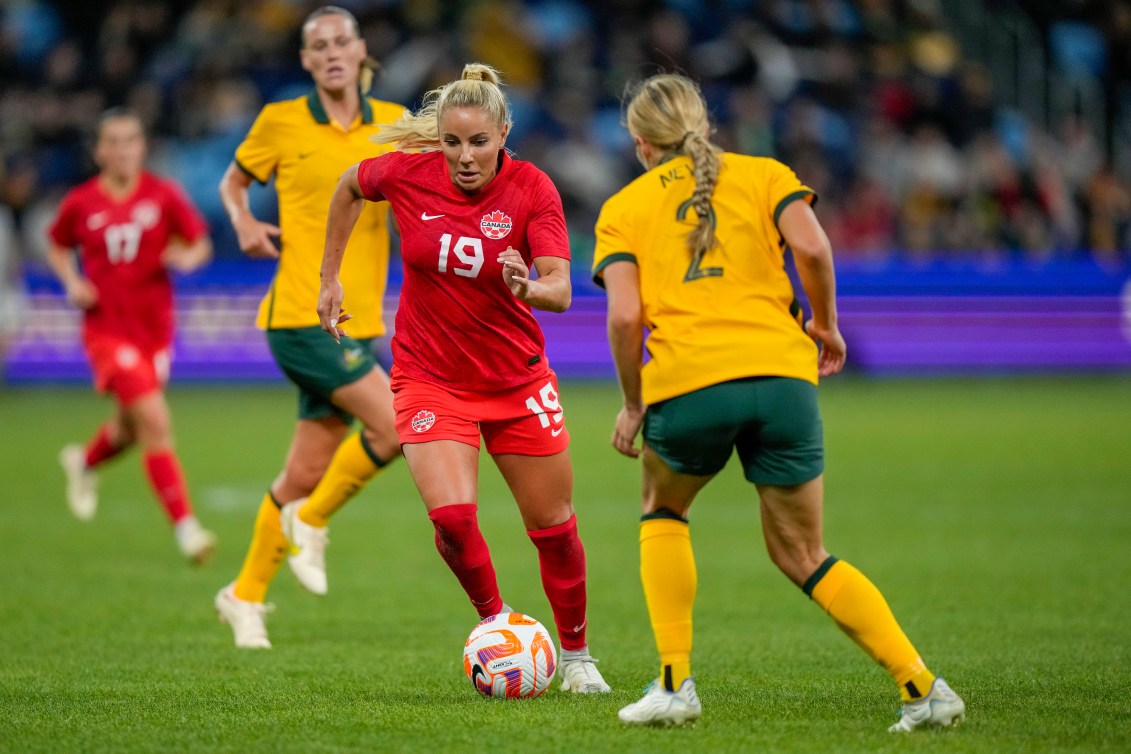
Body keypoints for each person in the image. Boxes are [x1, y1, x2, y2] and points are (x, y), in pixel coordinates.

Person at [593, 73, 966, 729]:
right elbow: (814, 246)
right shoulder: (765, 174)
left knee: (662, 509)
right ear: (702, 125)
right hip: (784, 379)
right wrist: (824, 324)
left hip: (690, 383)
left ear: (639, 144)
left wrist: (631, 403)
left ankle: (674, 683)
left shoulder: (624, 206)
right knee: (803, 553)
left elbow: (624, 319)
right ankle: (922, 686)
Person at [317, 63, 611, 694]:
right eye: (452, 142)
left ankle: (579, 657)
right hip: (429, 376)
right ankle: (498, 626)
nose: (465, 156)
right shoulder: (407, 173)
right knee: (451, 518)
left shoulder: (533, 189)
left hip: (516, 381)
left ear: (504, 132)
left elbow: (559, 289)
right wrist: (329, 277)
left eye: (479, 142)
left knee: (554, 530)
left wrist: (525, 284)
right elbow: (347, 185)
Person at [213, 5, 404, 649]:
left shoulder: (398, 126)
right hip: (301, 316)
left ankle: (243, 596)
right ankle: (312, 522)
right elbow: (233, 183)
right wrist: (241, 219)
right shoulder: (281, 121)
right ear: (304, 59)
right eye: (317, 44)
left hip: (361, 322)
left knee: (300, 473)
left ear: (360, 50)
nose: (330, 52)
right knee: (399, 424)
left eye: (340, 40)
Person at [47, 107, 216, 564]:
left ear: (143, 147)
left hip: (154, 332)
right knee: (156, 423)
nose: (122, 150)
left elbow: (200, 241)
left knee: (129, 427)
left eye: (130, 140)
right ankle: (187, 529)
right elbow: (57, 243)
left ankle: (83, 462)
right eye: (113, 141)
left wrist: (189, 257)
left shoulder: (163, 195)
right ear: (99, 150)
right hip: (105, 331)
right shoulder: (81, 202)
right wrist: (72, 282)